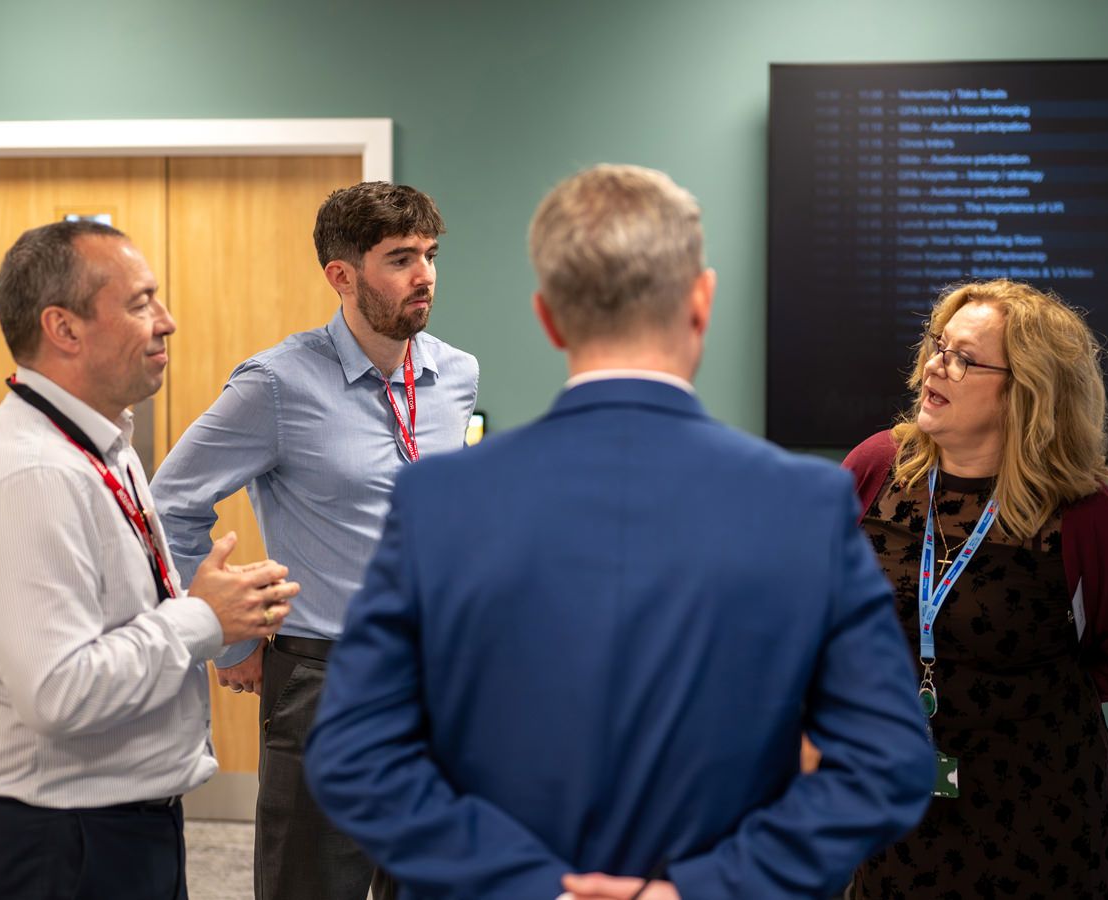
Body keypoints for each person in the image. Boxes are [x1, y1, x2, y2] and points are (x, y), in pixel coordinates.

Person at [303, 163, 935, 900]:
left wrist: (532, 886)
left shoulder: (439, 501)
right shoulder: (805, 503)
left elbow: (354, 756)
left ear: (548, 318)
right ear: (701, 301)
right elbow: (888, 762)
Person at [0, 220, 300, 899]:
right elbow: (59, 691)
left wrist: (212, 607)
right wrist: (203, 619)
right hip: (62, 844)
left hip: (122, 826)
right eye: (140, 303)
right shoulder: (32, 476)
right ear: (64, 329)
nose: (167, 321)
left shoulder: (102, 446)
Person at [150, 181, 479, 900]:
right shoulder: (276, 384)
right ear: (342, 275)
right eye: (400, 259)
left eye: (429, 255)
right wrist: (227, 639)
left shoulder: (456, 375)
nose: (424, 275)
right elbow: (169, 504)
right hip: (326, 682)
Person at [838, 279, 1108, 899]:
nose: (936, 365)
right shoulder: (877, 468)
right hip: (898, 803)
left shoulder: (1080, 511)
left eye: (963, 358)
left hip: (1037, 813)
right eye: (938, 345)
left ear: (1024, 392)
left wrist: (1029, 700)